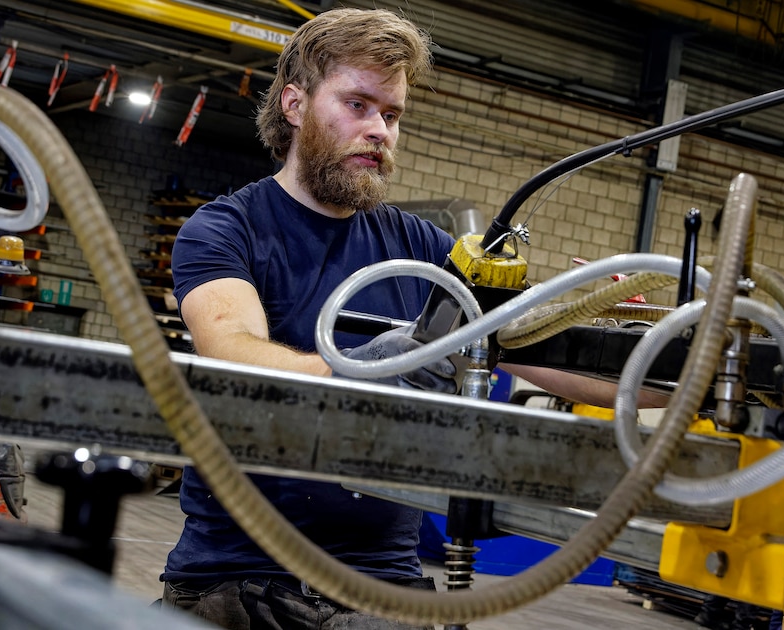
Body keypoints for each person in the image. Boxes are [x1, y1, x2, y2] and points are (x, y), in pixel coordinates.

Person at [162, 8, 632, 629]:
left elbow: (548, 354)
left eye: (391, 115)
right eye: (357, 105)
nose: (378, 130)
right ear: (295, 104)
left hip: (382, 585)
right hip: (239, 579)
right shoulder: (227, 228)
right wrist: (367, 371)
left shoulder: (427, 251)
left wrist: (667, 357)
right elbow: (233, 350)